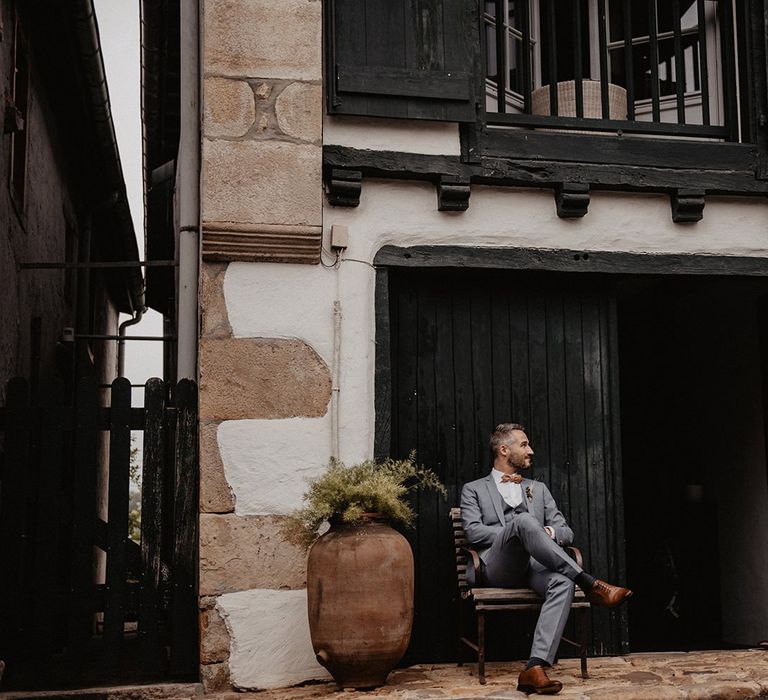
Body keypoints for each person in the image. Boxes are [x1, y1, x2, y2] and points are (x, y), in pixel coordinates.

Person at [460, 423, 632, 695]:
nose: (531, 451)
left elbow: (565, 530)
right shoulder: (474, 489)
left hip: (535, 568)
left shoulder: (537, 489)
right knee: (524, 521)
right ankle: (588, 583)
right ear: (504, 450)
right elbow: (473, 531)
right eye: (524, 444)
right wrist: (518, 530)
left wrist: (544, 533)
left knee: (562, 582)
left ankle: (535, 666)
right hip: (497, 567)